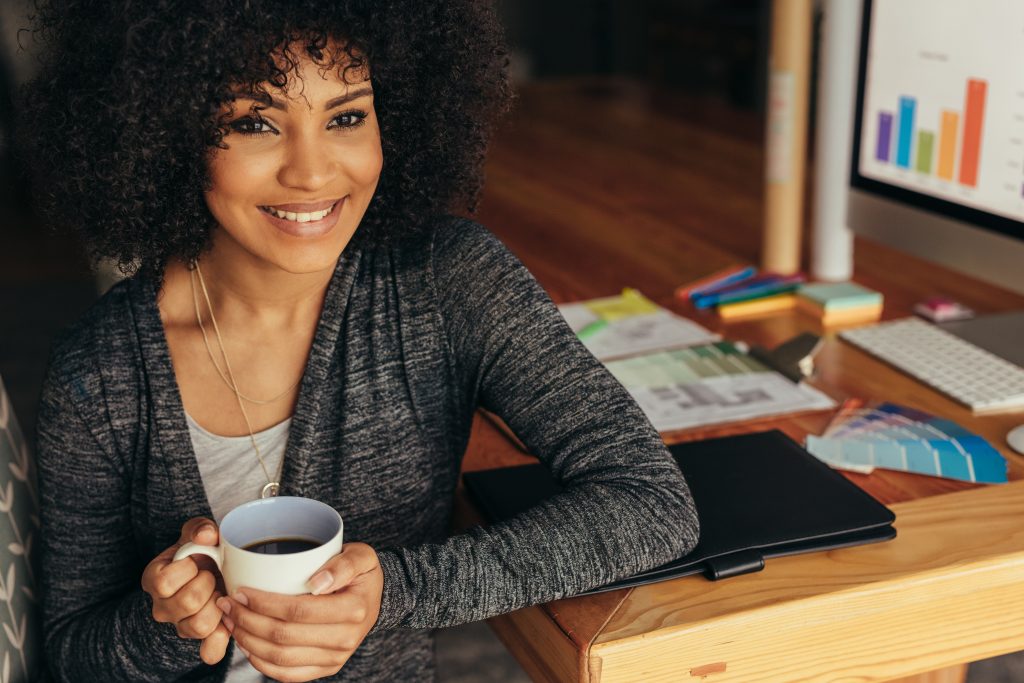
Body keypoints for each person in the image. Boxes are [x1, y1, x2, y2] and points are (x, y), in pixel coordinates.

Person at [21, 1, 700, 681]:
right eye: (255, 123)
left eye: (346, 117)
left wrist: (394, 591)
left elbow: (650, 501)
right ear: (167, 134)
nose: (313, 173)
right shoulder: (100, 375)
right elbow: (73, 651)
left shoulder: (446, 284)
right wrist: (161, 624)